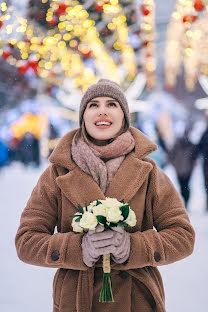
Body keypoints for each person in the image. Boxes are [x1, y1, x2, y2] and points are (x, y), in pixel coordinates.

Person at [15, 79, 195, 312]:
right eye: (93, 105)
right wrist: (77, 249)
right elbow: (26, 241)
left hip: (137, 301)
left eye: (112, 104)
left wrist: (134, 247)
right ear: (83, 117)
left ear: (124, 116)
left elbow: (183, 236)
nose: (102, 110)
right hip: (76, 300)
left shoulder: (149, 172)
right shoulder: (56, 174)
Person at [167, 128, 197, 208]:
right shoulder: (177, 144)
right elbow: (170, 155)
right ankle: (185, 200)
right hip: (179, 169)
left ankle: (186, 201)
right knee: (182, 186)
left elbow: (194, 157)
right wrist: (174, 164)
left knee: (186, 186)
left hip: (187, 170)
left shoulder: (191, 145)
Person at [195, 125, 208, 212]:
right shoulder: (205, 133)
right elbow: (199, 147)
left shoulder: (205, 133)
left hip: (206, 161)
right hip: (206, 162)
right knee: (206, 183)